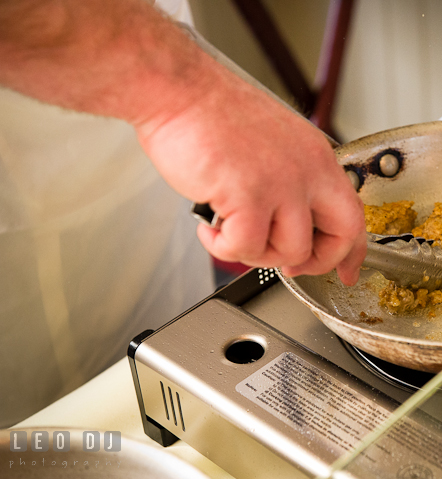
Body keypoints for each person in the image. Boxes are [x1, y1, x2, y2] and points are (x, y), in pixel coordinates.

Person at [0, 0, 366, 427]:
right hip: (34, 142)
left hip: (143, 78)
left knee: (177, 375)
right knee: (49, 433)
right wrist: (183, 88)